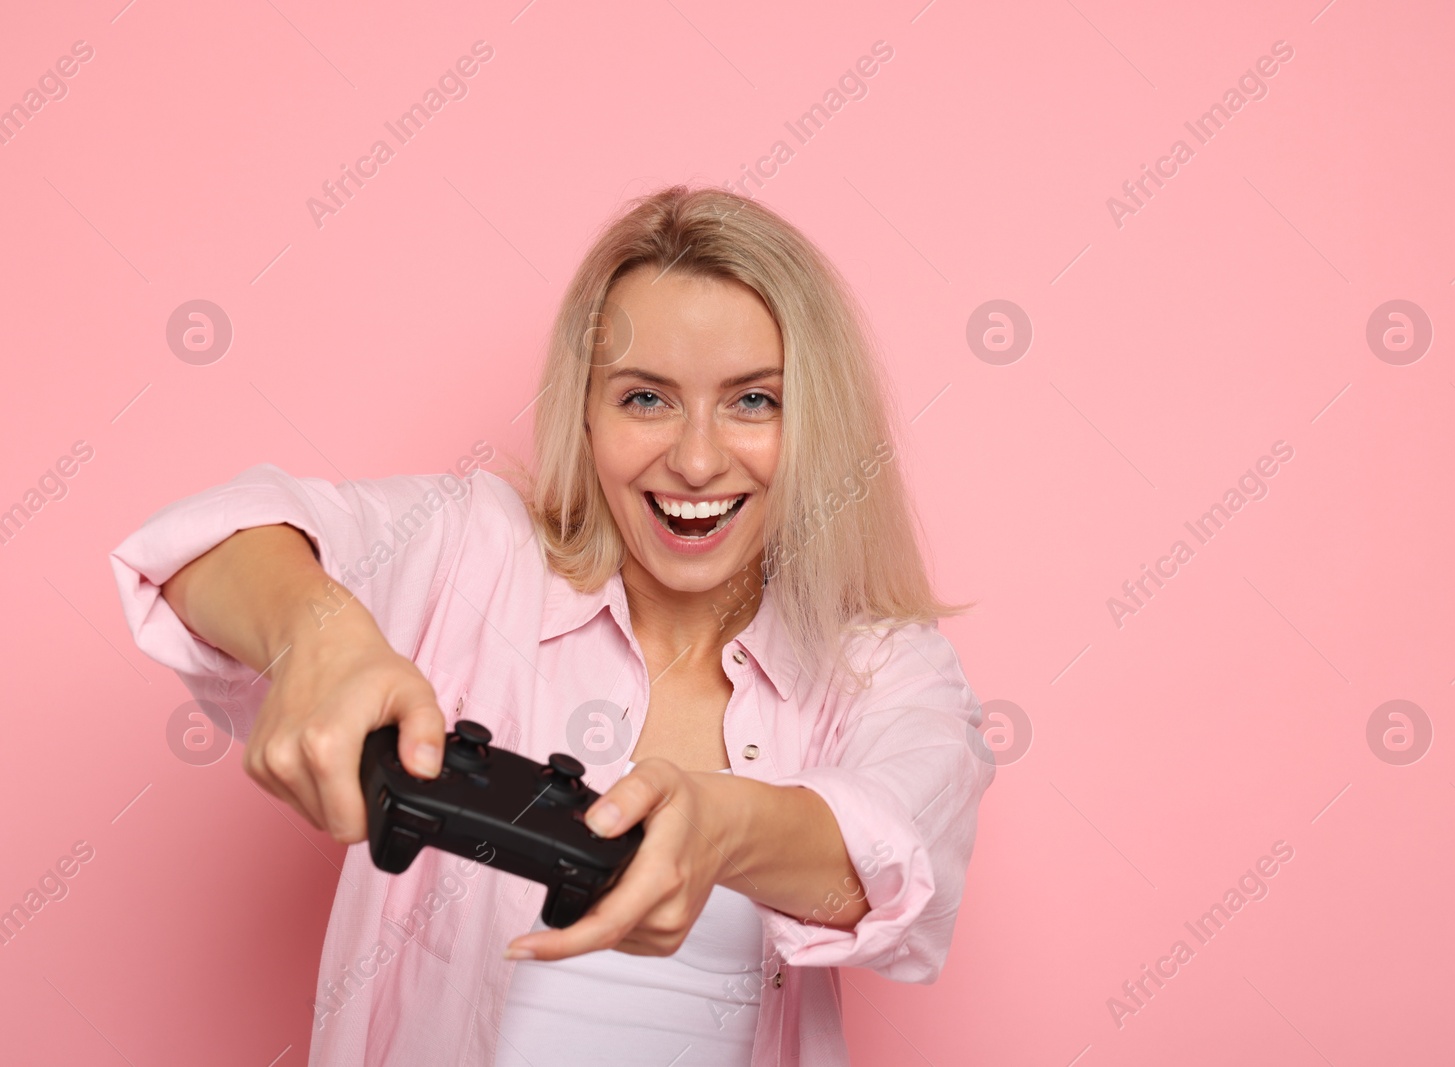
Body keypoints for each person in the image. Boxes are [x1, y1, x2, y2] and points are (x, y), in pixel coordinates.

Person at [110, 186, 995, 1066]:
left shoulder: (886, 668)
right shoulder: (476, 554)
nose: (694, 459)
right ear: (586, 412)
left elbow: (892, 858)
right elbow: (210, 542)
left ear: (819, 424)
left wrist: (719, 825)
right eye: (645, 399)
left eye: (753, 401)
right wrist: (319, 629)